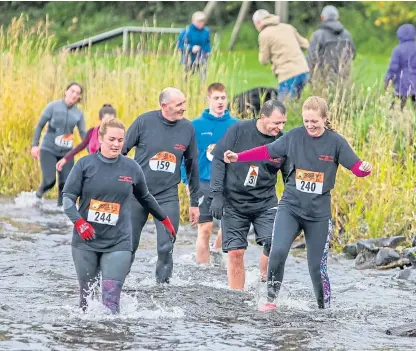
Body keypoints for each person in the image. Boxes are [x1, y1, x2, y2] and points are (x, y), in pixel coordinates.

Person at [223, 96, 372, 310]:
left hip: (318, 215)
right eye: (306, 121)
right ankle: (271, 301)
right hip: (290, 208)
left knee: (315, 268)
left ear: (325, 119)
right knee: (278, 251)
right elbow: (266, 151)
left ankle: (324, 309)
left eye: (315, 121)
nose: (310, 125)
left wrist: (365, 169)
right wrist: (239, 157)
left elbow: (356, 167)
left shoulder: (335, 142)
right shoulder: (293, 136)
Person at [62, 118, 175, 314]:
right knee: (86, 302)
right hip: (85, 241)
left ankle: (112, 340)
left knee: (111, 301)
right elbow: (67, 200)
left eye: (120, 140)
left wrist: (165, 220)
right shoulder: (84, 165)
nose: (116, 144)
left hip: (119, 242)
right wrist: (80, 223)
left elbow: (146, 197)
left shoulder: (131, 168)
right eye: (112, 139)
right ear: (100, 138)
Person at [123, 87, 200, 284]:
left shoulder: (188, 128)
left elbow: (192, 167)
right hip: (138, 194)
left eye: (184, 103)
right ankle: (116, 288)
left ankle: (162, 293)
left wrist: (194, 203)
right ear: (164, 106)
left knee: (166, 247)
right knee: (129, 246)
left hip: (167, 196)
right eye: (179, 104)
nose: (184, 108)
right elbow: (120, 151)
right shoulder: (144, 122)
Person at [210, 100, 288, 290]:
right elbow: (219, 160)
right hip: (234, 202)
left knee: (274, 243)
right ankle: (237, 296)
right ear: (262, 117)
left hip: (265, 202)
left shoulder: (282, 141)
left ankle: (264, 279)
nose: (280, 127)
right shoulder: (238, 130)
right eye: (276, 123)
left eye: (283, 123)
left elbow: (289, 176)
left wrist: (292, 205)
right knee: (235, 252)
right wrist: (217, 195)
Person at [180, 83, 238, 264]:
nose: (220, 102)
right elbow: (185, 157)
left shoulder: (235, 125)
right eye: (216, 98)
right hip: (203, 182)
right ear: (208, 100)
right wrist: (187, 182)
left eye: (223, 98)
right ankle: (203, 273)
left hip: (228, 183)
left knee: (228, 228)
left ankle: (218, 249)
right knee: (204, 229)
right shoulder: (195, 125)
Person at [31, 82, 86, 207]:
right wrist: (35, 145)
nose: (74, 95)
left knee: (65, 185)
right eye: (72, 91)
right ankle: (37, 197)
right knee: (50, 181)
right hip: (48, 149)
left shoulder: (78, 113)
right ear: (66, 91)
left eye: (77, 93)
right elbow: (40, 126)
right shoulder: (53, 106)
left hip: (67, 153)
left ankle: (61, 212)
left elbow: (83, 134)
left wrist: (92, 149)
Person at [252, 9, 309, 102]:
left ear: (258, 23)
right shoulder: (287, 27)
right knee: (296, 103)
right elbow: (305, 44)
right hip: (304, 71)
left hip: (287, 75)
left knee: (282, 109)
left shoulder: (264, 34)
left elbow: (263, 60)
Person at [306, 5, 356, 87]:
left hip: (323, 81)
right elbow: (353, 54)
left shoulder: (318, 35)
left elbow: (311, 59)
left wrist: (311, 80)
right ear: (337, 18)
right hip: (343, 80)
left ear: (322, 18)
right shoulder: (347, 34)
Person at [56, 104, 116, 171]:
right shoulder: (92, 132)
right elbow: (81, 146)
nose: (109, 124)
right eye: (107, 120)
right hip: (93, 170)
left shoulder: (117, 135)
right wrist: (65, 159)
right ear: (101, 119)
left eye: (112, 121)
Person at [385, 23, 416, 111]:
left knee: (397, 107)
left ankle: (396, 121)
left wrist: (388, 80)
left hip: (402, 83)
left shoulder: (398, 50)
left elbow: (393, 68)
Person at [177, 11, 211, 80]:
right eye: (198, 21)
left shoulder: (206, 31)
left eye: (202, 21)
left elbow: (207, 43)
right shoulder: (186, 31)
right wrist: (191, 48)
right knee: (186, 79)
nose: (201, 23)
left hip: (202, 59)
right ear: (193, 21)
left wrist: (208, 51)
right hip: (189, 59)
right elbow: (180, 46)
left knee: (203, 79)